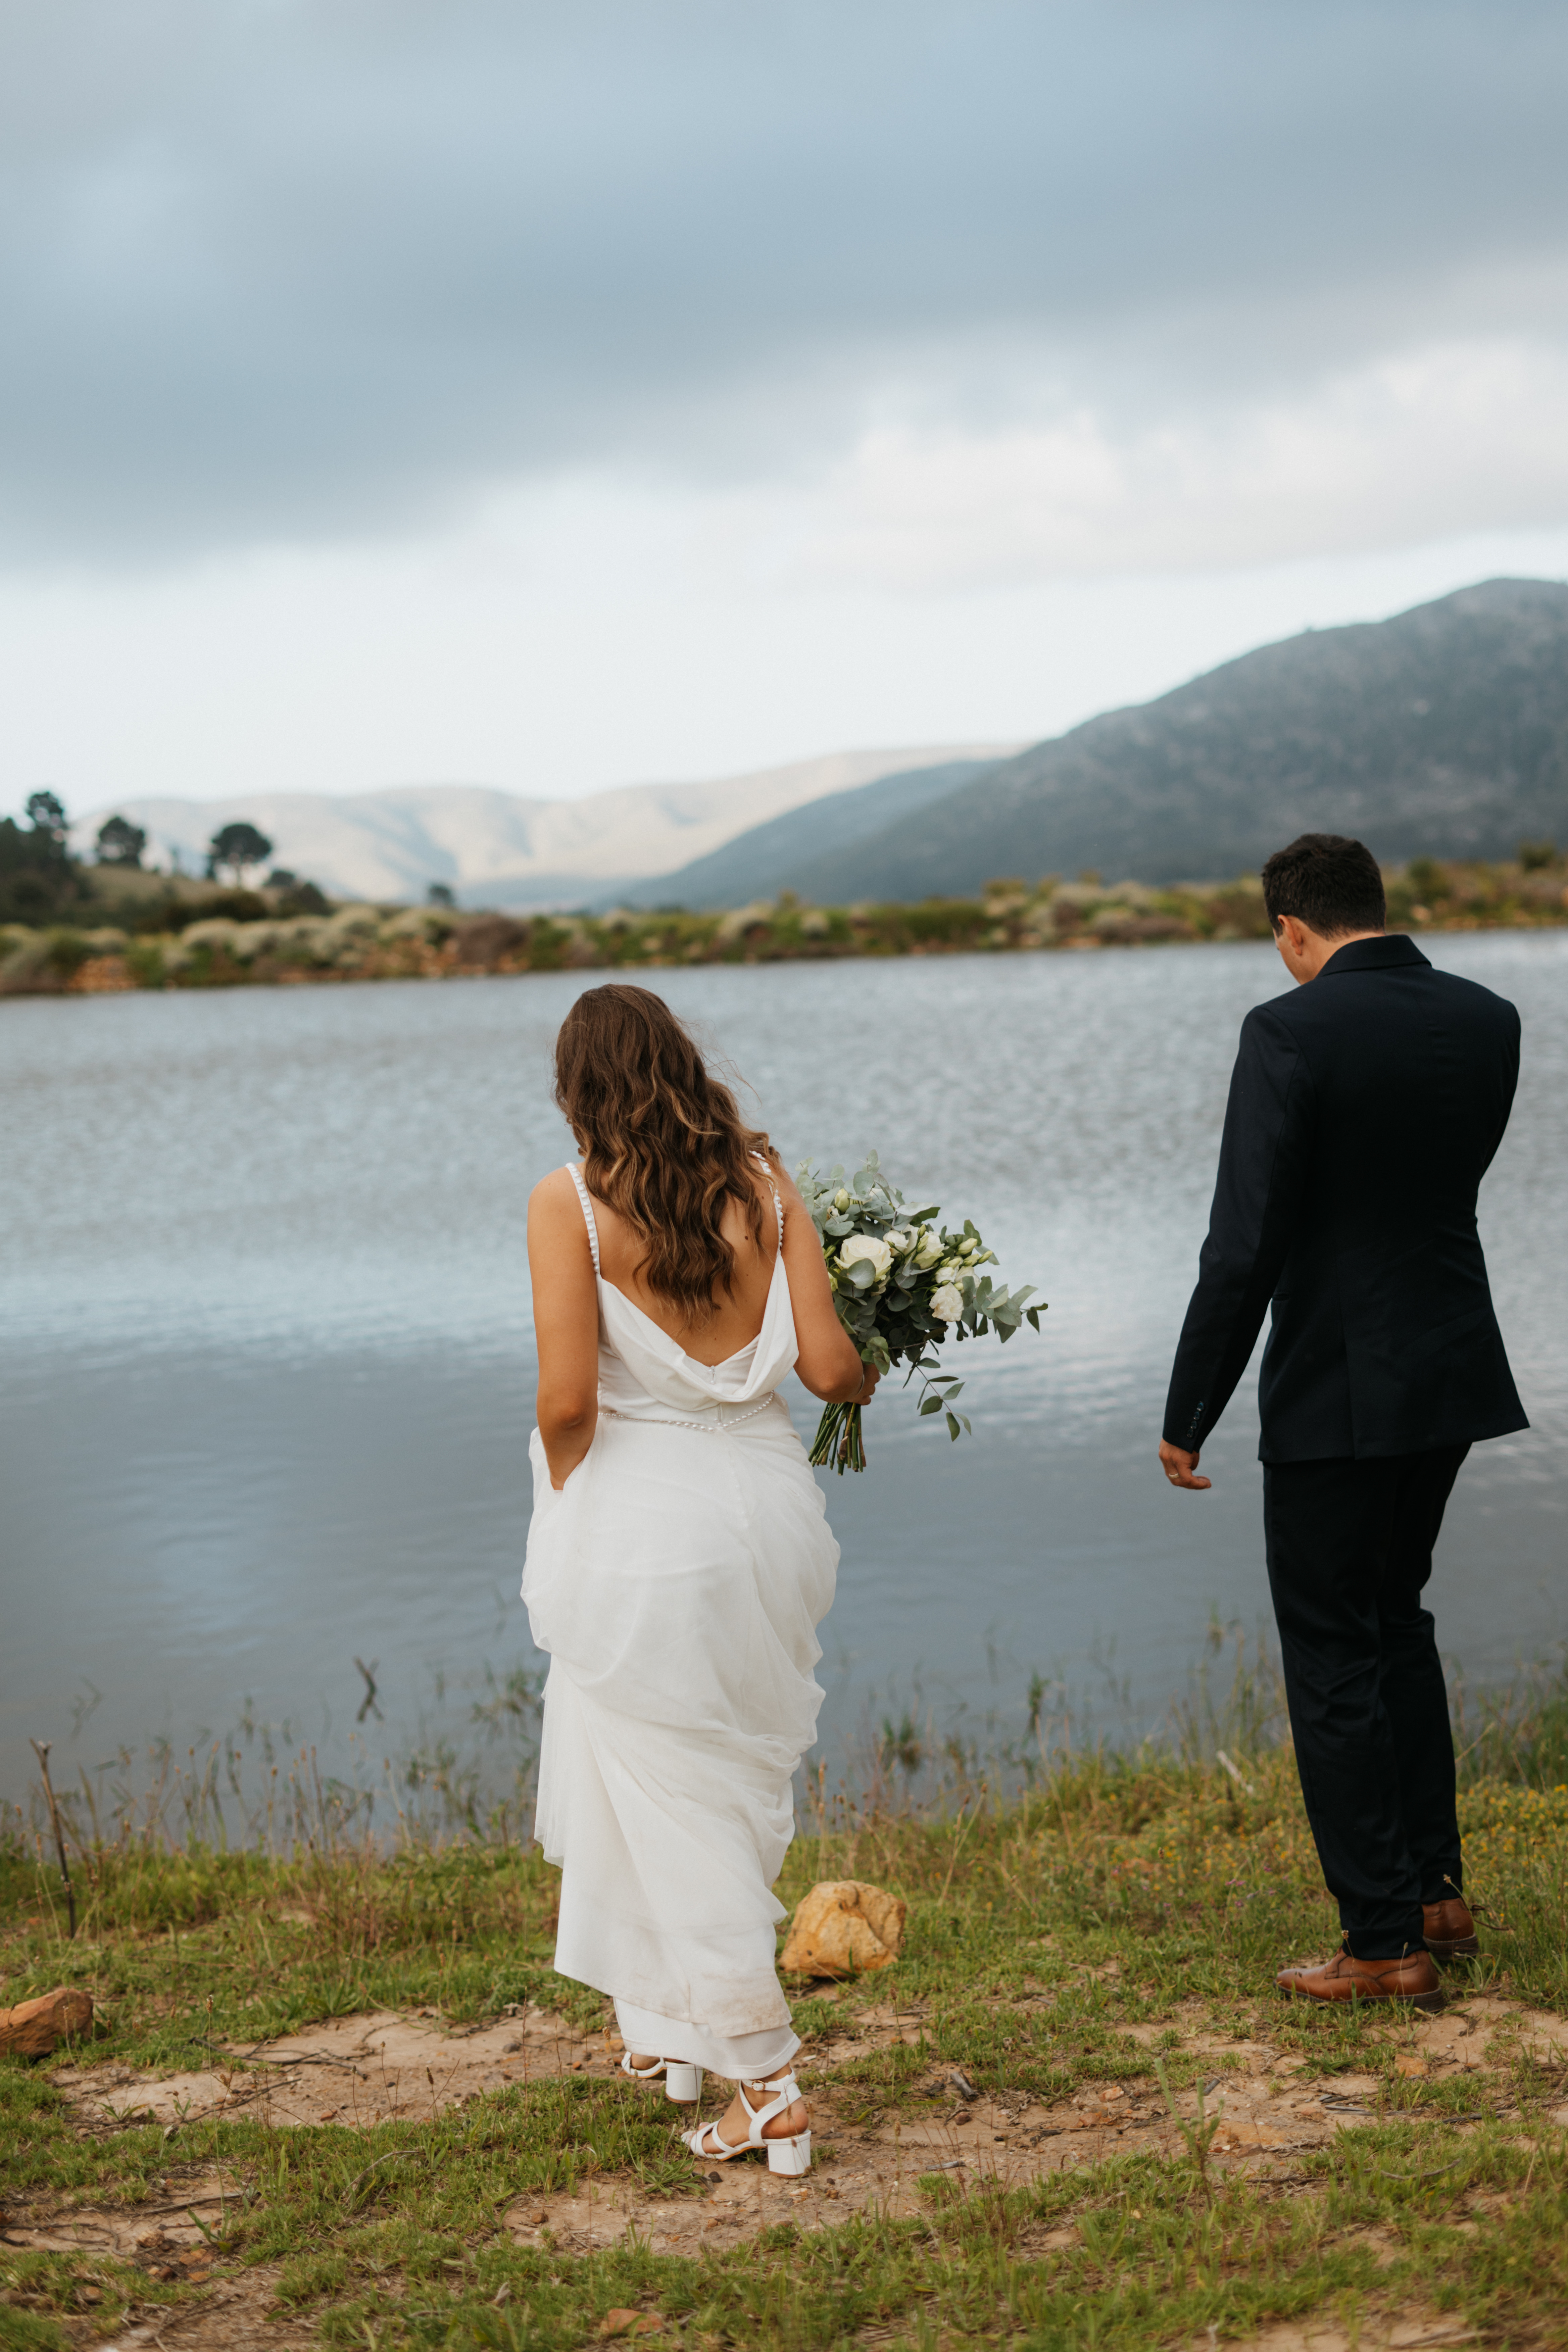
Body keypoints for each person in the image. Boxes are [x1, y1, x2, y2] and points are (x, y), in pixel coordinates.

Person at [1159, 833, 1526, 2010]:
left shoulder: (1287, 1030)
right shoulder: (1488, 1019)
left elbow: (1244, 1242)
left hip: (1336, 1388)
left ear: (1291, 931)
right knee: (1395, 1620)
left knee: (1330, 1651)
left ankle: (1381, 1944)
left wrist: (1190, 1406)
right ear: (1378, 906)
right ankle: (1433, 1890)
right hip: (1453, 1372)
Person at [521, 983, 876, 2172]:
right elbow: (828, 1368)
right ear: (682, 1065)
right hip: (772, 1514)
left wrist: (573, 1497)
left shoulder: (568, 1205)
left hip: (646, 1519)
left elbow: (570, 1401)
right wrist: (869, 1372)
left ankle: (765, 2080)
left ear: (578, 1090)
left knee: (671, 1804)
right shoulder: (769, 1190)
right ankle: (670, 2034)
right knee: (713, 1781)